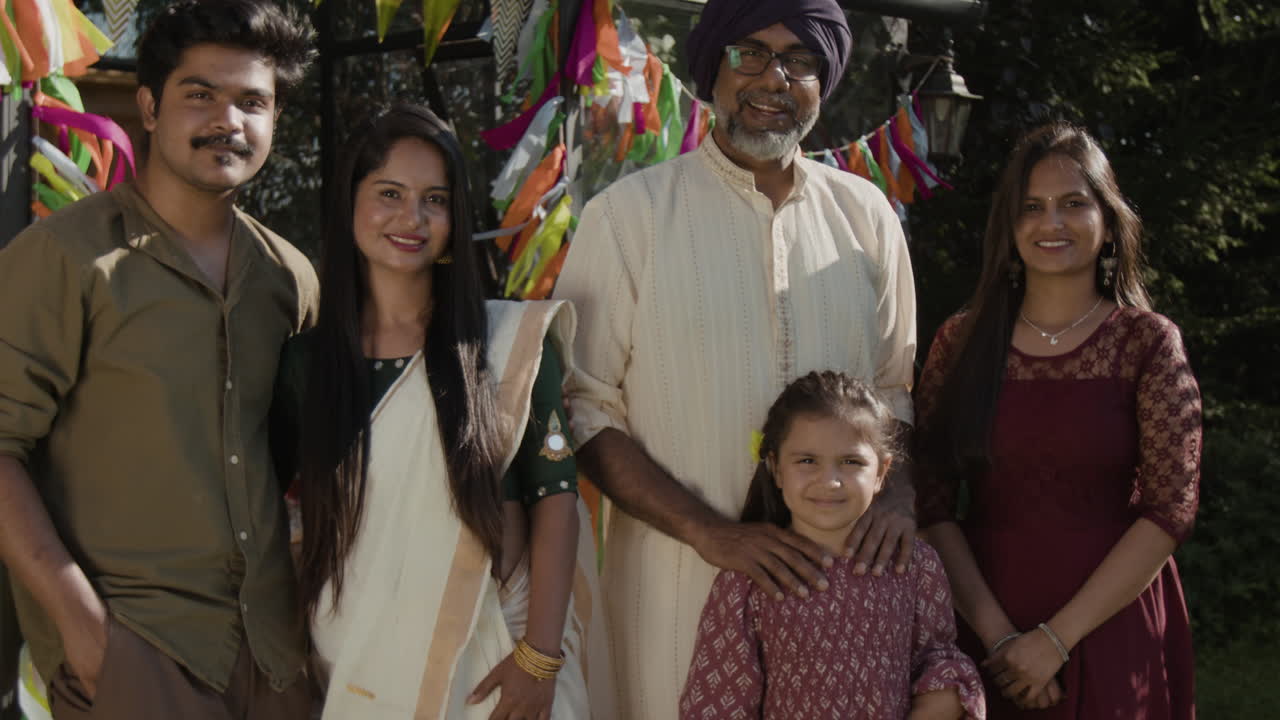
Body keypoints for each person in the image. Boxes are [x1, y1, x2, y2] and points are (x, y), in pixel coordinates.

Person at [552, 1, 917, 715]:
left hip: (843, 605)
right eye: (748, 53)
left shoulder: (867, 217)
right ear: (712, 69)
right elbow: (582, 407)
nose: (772, 78)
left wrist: (899, 499)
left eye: (799, 60)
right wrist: (710, 533)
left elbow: (894, 391)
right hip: (673, 591)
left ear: (824, 79)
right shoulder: (627, 218)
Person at [0, 0, 318, 718]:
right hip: (136, 653)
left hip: (278, 659)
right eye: (200, 94)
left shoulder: (290, 279)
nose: (227, 121)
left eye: (252, 102)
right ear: (147, 106)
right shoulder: (65, 258)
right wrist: (86, 633)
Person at [270, 103, 612, 719]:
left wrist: (539, 655)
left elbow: (555, 499)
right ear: (349, 202)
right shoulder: (306, 365)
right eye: (390, 194)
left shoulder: (512, 345)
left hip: (498, 665)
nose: (412, 217)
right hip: (356, 661)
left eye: (435, 199)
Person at [915, 122, 1200, 718]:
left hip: (1111, 616)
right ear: (1008, 225)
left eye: (1074, 203)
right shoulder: (960, 342)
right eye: (1033, 207)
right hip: (984, 617)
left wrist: (1054, 640)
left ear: (1107, 218)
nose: (1052, 223)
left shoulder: (1146, 343)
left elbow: (1170, 508)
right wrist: (1001, 641)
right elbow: (929, 504)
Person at [679, 372, 985, 720]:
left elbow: (939, 664)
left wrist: (945, 696)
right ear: (776, 469)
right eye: (807, 461)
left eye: (851, 462)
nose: (830, 481)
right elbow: (718, 703)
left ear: (883, 472)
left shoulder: (916, 566)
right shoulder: (749, 579)